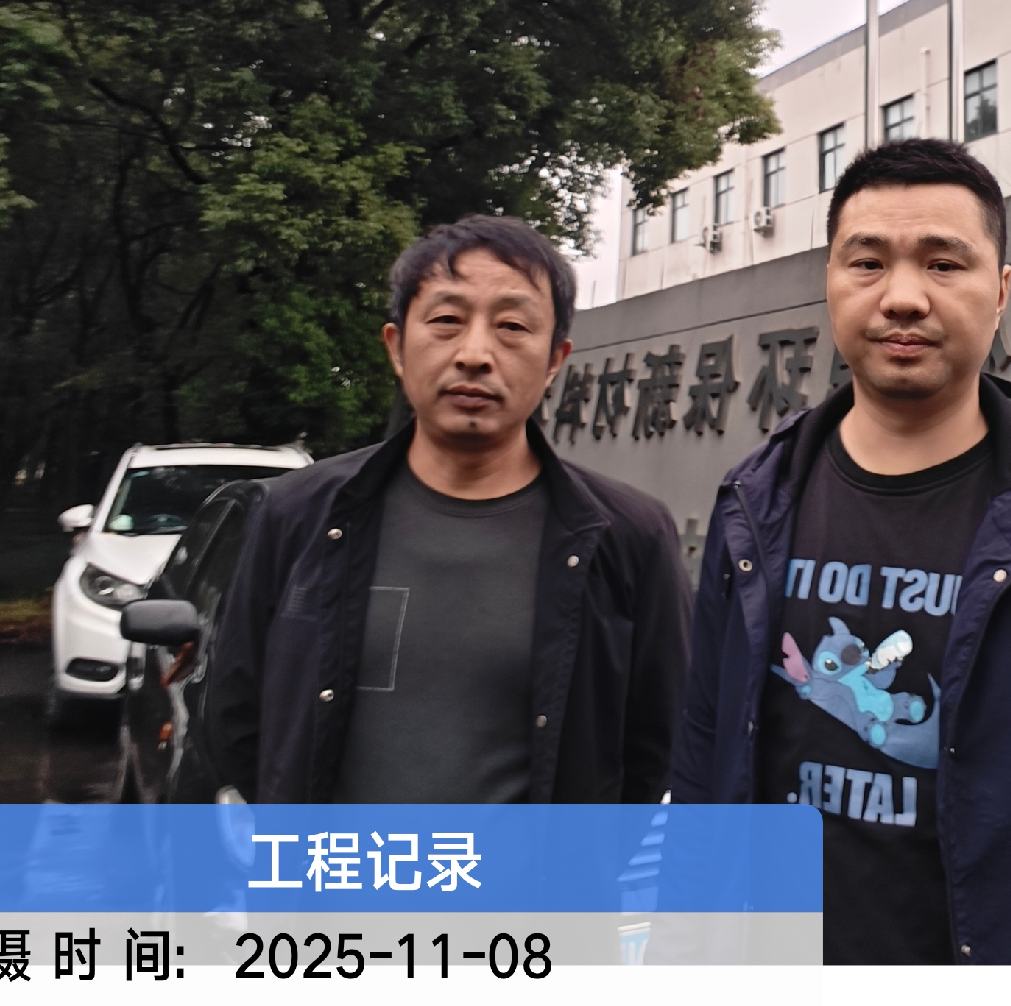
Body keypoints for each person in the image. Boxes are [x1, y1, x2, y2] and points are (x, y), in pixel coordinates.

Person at [672, 138, 1011, 963]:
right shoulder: (755, 502)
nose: (903, 297)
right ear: (829, 281)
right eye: (868, 263)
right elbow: (704, 763)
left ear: (1001, 291)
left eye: (943, 263)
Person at [206, 215, 690, 804]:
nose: (475, 354)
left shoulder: (628, 536)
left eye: (512, 326)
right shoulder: (296, 514)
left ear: (555, 360)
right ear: (397, 347)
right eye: (446, 321)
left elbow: (655, 745)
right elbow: (239, 719)